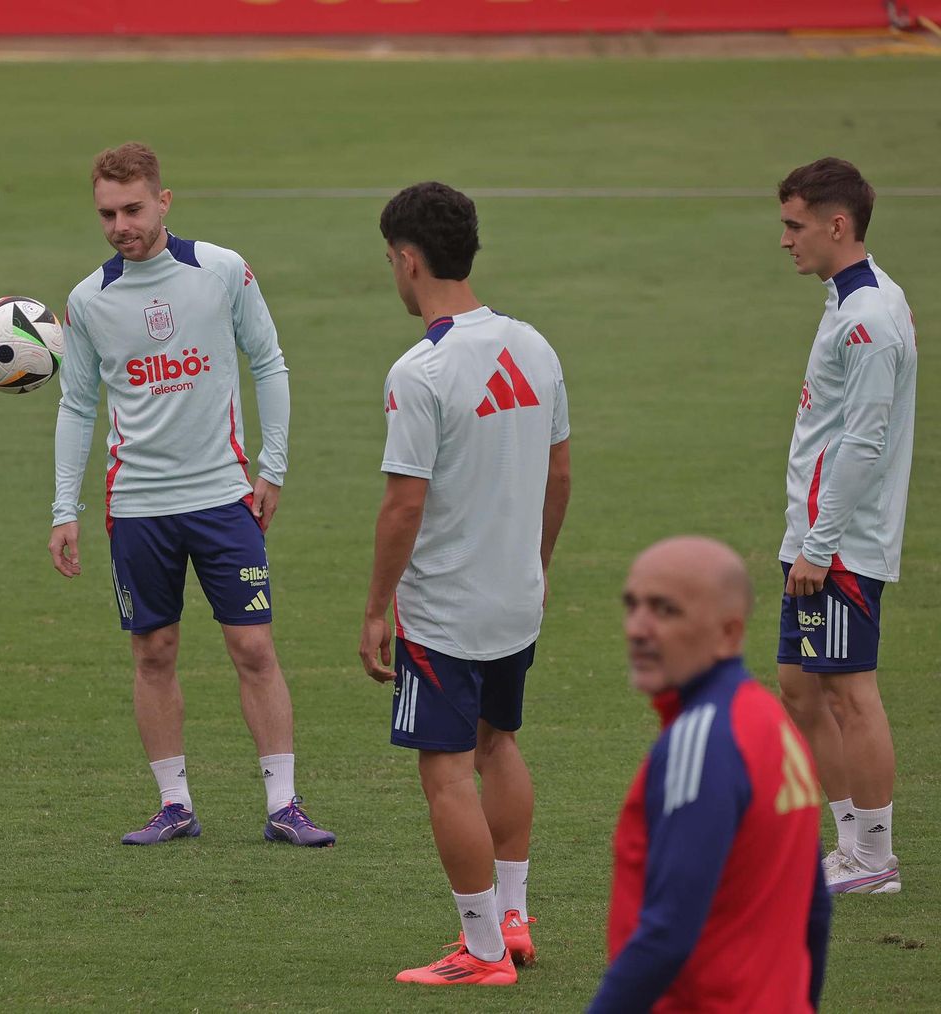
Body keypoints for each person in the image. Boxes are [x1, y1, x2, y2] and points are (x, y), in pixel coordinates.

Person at [48, 143, 331, 847]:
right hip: (137, 505)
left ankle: (284, 805)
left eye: (133, 209)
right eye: (107, 214)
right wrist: (63, 508)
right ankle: (173, 805)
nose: (121, 226)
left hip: (222, 497)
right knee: (154, 651)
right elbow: (77, 405)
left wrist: (273, 468)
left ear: (164, 201)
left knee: (253, 647)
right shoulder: (87, 301)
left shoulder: (222, 271)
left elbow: (268, 361)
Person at [359, 182, 570, 986]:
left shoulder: (421, 370)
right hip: (516, 597)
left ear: (409, 260)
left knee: (446, 771)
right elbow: (559, 472)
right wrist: (538, 563)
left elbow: (403, 504)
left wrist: (374, 609)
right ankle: (513, 918)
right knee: (499, 744)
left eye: (391, 259)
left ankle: (482, 952)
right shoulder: (535, 345)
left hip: (446, 610)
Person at [590, 537, 831, 1012]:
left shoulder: (703, 740)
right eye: (632, 605)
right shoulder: (771, 721)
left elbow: (667, 934)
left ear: (728, 633)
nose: (637, 628)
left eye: (666, 610)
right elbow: (815, 909)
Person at [772, 157, 916, 895]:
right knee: (800, 686)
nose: (785, 240)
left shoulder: (868, 321)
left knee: (850, 693)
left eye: (794, 225)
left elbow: (862, 443)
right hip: (815, 535)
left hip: (840, 545)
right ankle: (850, 843)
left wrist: (820, 546)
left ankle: (874, 858)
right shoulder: (852, 297)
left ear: (837, 225)